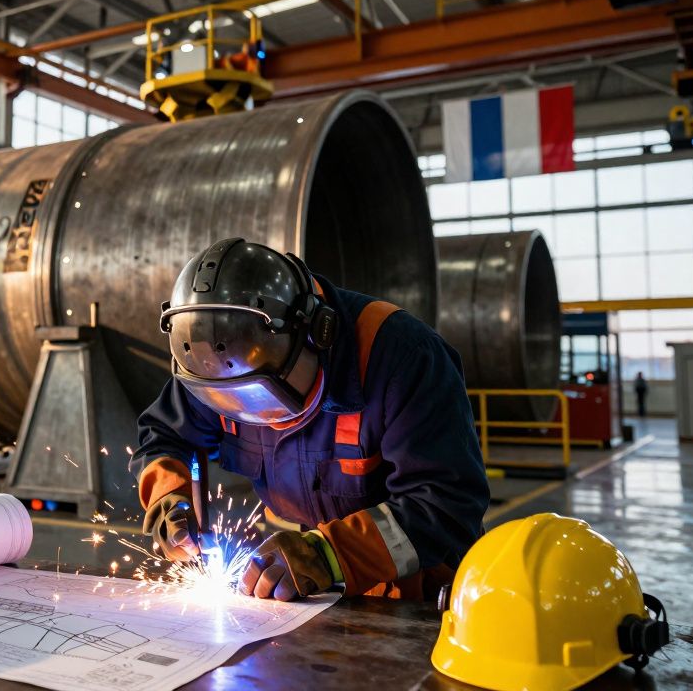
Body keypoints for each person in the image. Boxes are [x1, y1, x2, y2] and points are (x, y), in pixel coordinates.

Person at [132, 238, 489, 601]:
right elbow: (165, 436)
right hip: (299, 597)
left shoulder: (405, 358)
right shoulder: (213, 368)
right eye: (230, 405)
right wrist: (169, 501)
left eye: (262, 397)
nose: (258, 418)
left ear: (317, 335)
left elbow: (445, 506)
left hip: (418, 597)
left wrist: (327, 554)